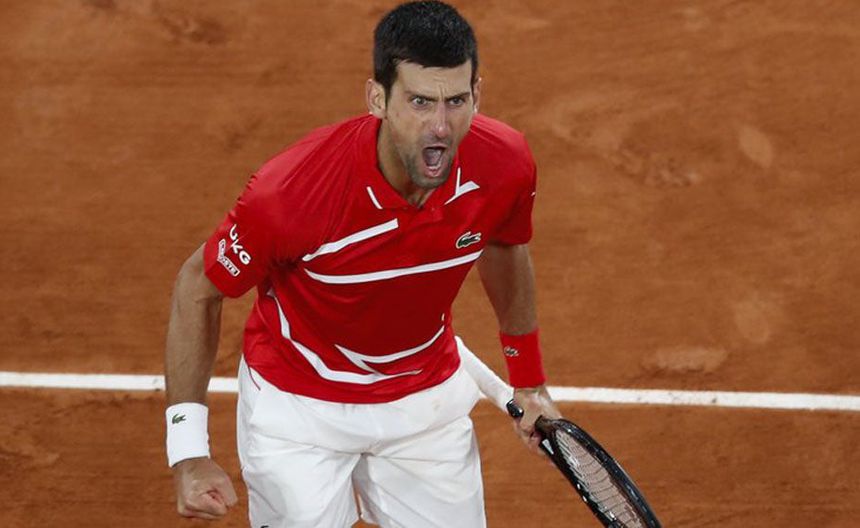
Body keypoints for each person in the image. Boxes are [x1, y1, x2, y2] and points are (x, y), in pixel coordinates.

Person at [164, 1, 560, 526]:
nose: (440, 126)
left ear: (477, 95)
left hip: (423, 403)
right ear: (377, 98)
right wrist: (188, 452)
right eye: (419, 102)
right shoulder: (292, 194)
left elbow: (504, 247)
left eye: (456, 101)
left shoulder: (504, 164)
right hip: (300, 409)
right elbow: (198, 287)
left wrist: (529, 380)